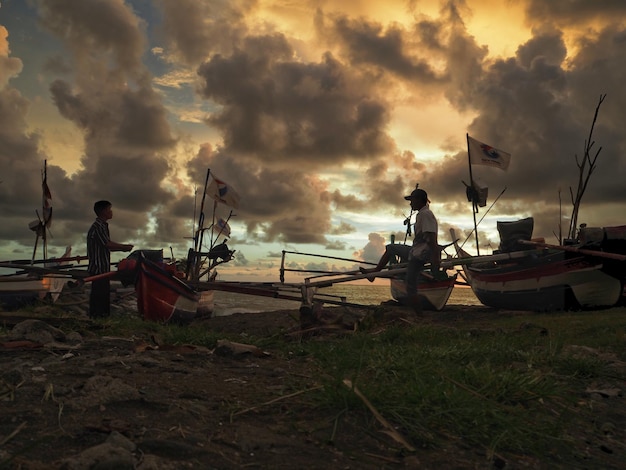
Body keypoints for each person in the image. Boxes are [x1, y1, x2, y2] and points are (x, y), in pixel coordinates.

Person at [360, 187, 440, 313]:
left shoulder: (426, 215)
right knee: (391, 249)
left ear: (419, 200)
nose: (410, 203)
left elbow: (432, 238)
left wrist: (435, 258)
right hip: (416, 251)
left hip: (420, 254)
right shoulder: (422, 214)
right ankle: (374, 273)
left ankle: (418, 313)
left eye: (412, 200)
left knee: (410, 283)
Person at [87, 200, 133, 318]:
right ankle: (98, 317)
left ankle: (101, 317)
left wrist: (122, 249)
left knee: (103, 294)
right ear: (103, 212)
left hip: (103, 267)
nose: (111, 212)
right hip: (98, 267)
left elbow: (108, 247)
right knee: (99, 294)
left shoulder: (102, 226)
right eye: (109, 210)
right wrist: (124, 247)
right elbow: (107, 244)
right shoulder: (98, 226)